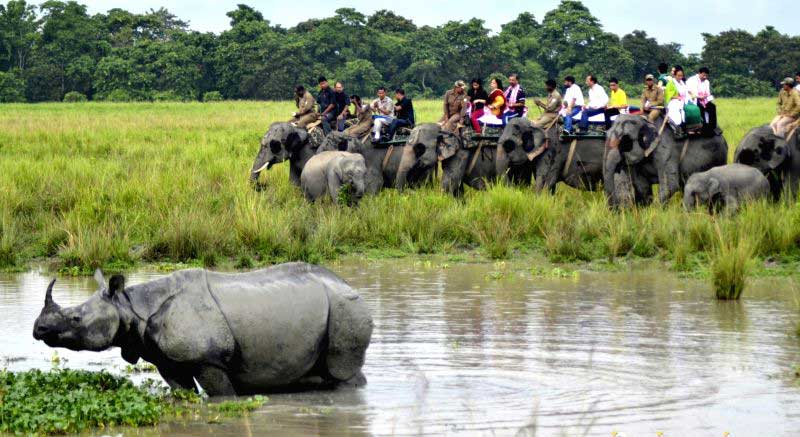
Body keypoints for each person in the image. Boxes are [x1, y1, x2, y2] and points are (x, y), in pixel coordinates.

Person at [687, 67, 717, 131]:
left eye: (706, 75)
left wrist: (709, 98)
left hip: (704, 100)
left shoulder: (706, 82)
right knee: (700, 108)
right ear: (699, 73)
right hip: (694, 99)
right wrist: (699, 97)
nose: (705, 77)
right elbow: (690, 92)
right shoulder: (692, 80)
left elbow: (708, 93)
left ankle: (712, 126)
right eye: (704, 75)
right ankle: (703, 126)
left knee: (712, 107)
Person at [664, 65, 689, 136]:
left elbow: (686, 92)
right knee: (676, 108)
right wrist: (677, 98)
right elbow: (668, 95)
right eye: (678, 76)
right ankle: (677, 126)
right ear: (675, 75)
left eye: (681, 76)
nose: (680, 77)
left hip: (683, 100)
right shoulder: (671, 83)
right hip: (674, 101)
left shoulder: (682, 83)